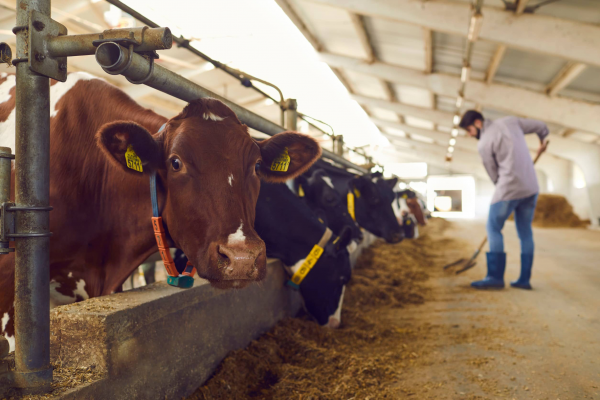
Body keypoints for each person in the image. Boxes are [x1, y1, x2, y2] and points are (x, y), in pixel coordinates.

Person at [459, 110, 549, 290]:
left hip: (508, 188)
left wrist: (502, 189)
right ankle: (524, 280)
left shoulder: (484, 143)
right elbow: (541, 127)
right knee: (525, 232)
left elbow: (493, 174)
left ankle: (495, 277)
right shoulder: (511, 122)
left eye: (469, 130)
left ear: (477, 123)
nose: (470, 135)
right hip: (531, 187)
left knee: (493, 227)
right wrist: (541, 142)